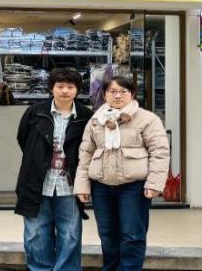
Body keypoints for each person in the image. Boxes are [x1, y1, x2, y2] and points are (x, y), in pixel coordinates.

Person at [74, 75, 169, 271]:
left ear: (131, 94)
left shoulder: (147, 119)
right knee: (107, 234)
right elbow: (85, 154)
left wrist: (154, 183)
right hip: (101, 186)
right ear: (104, 94)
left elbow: (159, 152)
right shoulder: (96, 120)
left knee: (132, 234)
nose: (118, 96)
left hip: (134, 186)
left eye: (123, 91)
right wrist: (82, 185)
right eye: (112, 91)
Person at [15, 67, 93, 271]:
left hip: (70, 185)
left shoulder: (86, 116)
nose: (65, 91)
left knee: (70, 233)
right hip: (37, 181)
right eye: (60, 86)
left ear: (77, 90)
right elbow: (23, 139)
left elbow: (90, 148)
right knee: (36, 234)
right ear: (52, 88)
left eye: (70, 86)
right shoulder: (35, 112)